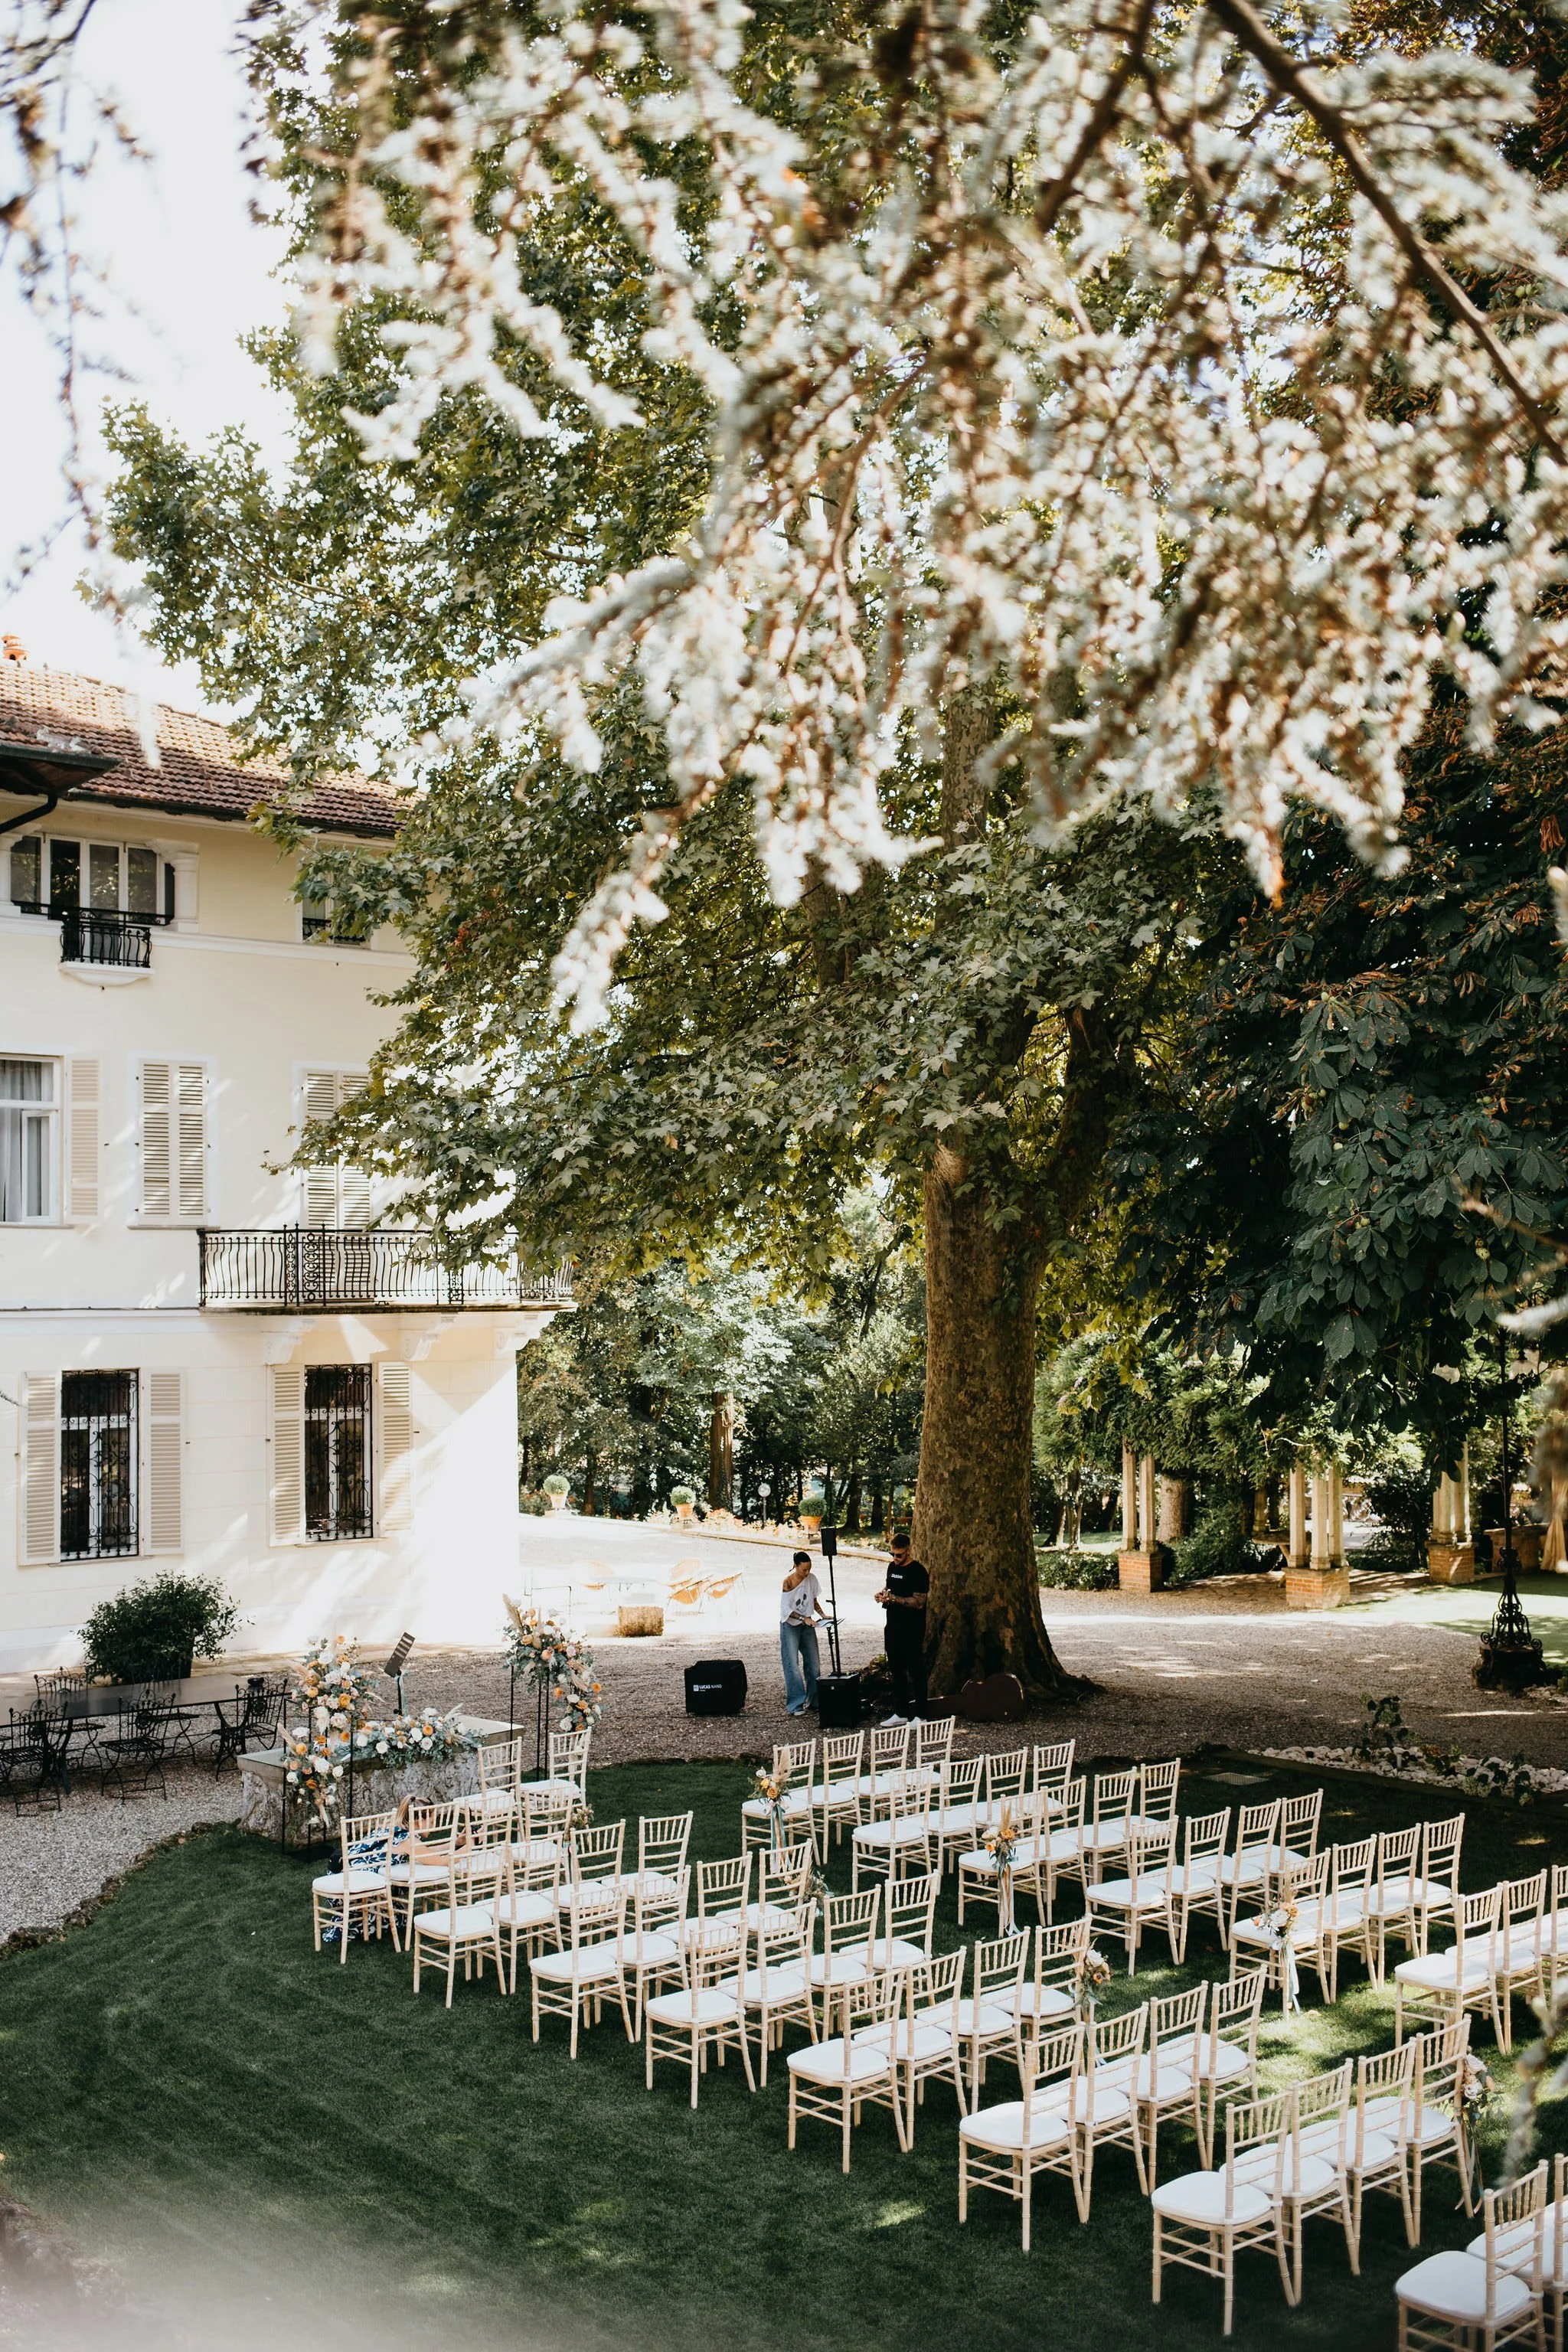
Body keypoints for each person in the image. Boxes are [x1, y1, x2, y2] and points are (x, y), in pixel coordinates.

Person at [874, 1528, 929, 1723]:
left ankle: (921, 1714)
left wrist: (895, 1599)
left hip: (912, 1628)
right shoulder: (892, 1568)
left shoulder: (918, 1572)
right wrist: (883, 1596)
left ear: (908, 1551)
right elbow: (890, 1588)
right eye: (892, 1554)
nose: (895, 1558)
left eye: (899, 1555)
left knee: (915, 1670)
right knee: (896, 1670)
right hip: (893, 1625)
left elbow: (919, 1602)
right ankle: (901, 1712)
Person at [779, 1550, 827, 1717]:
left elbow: (813, 1600)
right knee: (792, 1665)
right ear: (796, 1566)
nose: (806, 1573)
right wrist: (803, 1618)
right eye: (803, 1570)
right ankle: (796, 1704)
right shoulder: (788, 1582)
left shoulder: (812, 1579)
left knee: (813, 1663)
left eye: (809, 1569)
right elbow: (786, 1609)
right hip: (791, 1625)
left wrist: (822, 1615)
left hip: (807, 1624)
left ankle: (814, 1700)